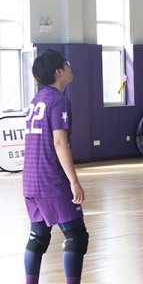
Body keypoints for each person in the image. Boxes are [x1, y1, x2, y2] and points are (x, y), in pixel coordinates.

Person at [23, 49, 89, 284]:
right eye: (66, 64)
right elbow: (59, 142)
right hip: (51, 179)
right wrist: (74, 181)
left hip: (30, 180)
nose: (70, 67)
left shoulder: (36, 100)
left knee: (38, 236)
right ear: (58, 71)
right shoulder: (58, 101)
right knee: (76, 236)